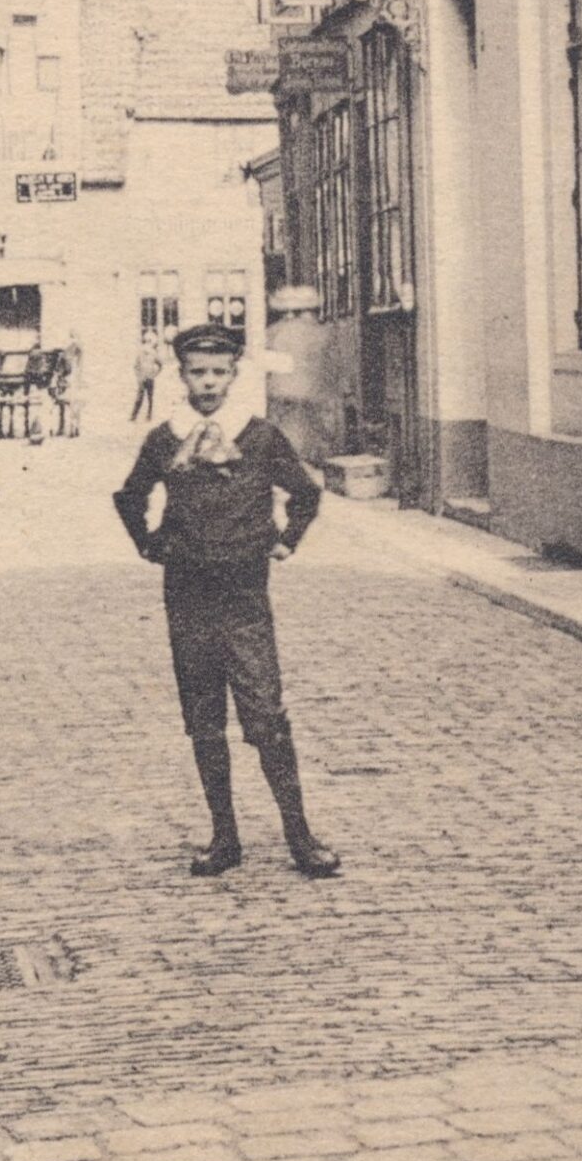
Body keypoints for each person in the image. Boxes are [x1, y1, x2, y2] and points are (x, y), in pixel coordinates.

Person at [112, 323, 339, 879]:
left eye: (218, 372)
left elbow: (306, 492)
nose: (207, 383)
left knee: (265, 716)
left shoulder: (259, 438)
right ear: (181, 375)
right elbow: (130, 495)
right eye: (197, 372)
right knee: (204, 719)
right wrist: (149, 543)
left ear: (234, 375)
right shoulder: (166, 438)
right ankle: (225, 838)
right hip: (187, 592)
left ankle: (300, 837)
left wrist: (285, 541)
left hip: (244, 595)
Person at [130, 328, 162, 423]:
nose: (148, 344)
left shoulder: (153, 353)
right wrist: (138, 376)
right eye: (147, 341)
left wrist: (155, 373)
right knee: (140, 398)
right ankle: (134, 416)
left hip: (149, 377)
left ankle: (148, 416)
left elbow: (160, 364)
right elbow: (135, 365)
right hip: (143, 377)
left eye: (150, 341)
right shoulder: (141, 353)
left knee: (150, 398)